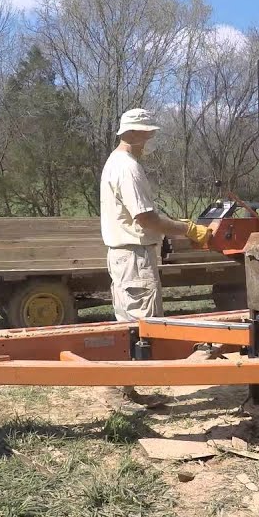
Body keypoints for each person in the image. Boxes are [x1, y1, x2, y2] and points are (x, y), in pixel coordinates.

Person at [100, 108, 211, 403]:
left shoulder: (117, 162)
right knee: (141, 325)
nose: (150, 137)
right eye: (147, 132)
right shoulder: (127, 167)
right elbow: (145, 218)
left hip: (127, 256)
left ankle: (126, 390)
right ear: (133, 133)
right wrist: (187, 229)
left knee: (130, 324)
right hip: (134, 256)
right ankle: (118, 390)